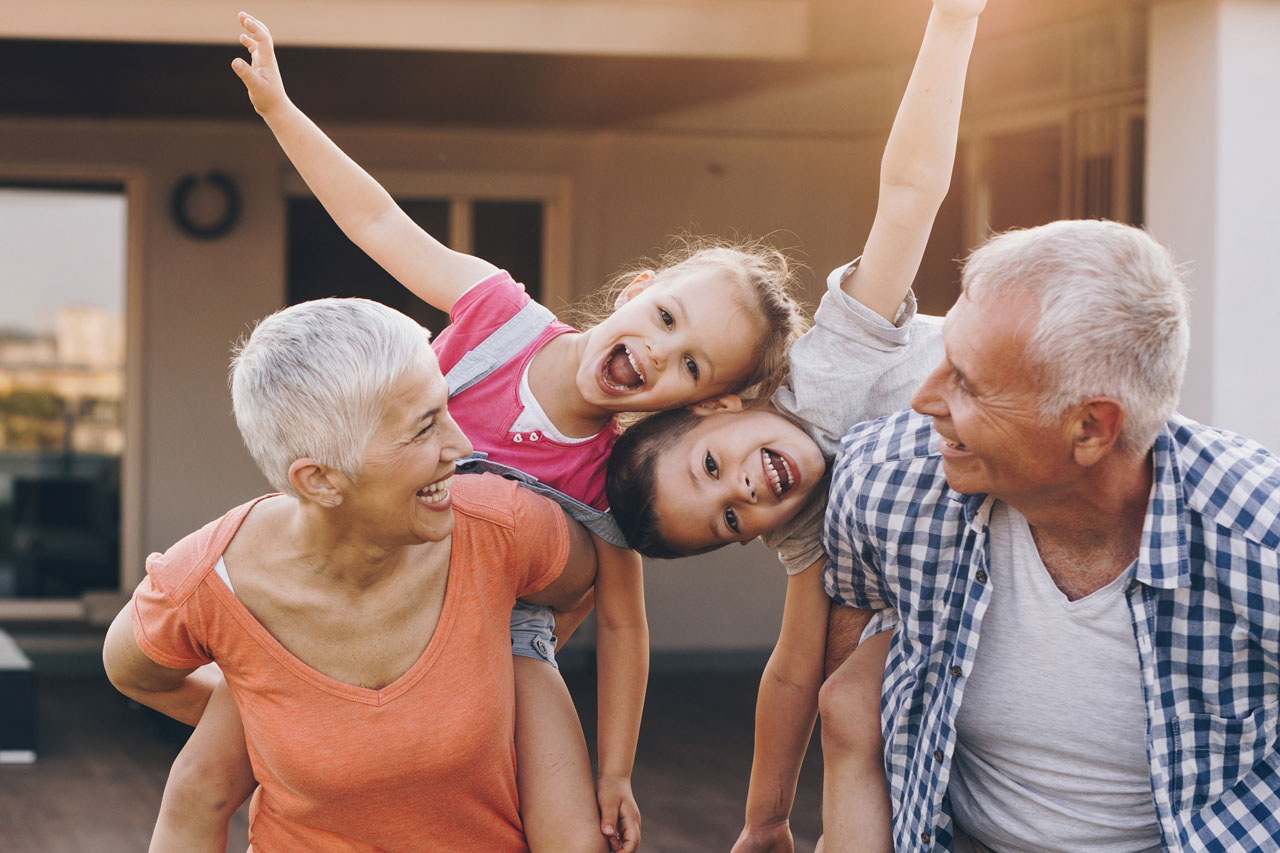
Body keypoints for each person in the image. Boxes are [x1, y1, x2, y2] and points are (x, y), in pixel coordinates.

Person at [147, 11, 810, 853]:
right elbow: (380, 222)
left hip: (498, 646)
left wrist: (614, 772)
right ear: (637, 289)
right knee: (205, 776)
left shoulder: (611, 480)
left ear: (695, 403)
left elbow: (624, 625)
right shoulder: (498, 317)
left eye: (691, 367)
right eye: (667, 318)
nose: (658, 354)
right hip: (353, 592)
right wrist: (282, 109)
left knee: (569, 820)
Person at [605, 1, 985, 849]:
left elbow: (910, 197)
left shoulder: (828, 367)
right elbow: (790, 670)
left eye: (712, 468)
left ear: (721, 404)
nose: (742, 491)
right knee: (847, 690)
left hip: (1040, 421)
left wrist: (953, 22)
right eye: (730, 520)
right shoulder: (809, 529)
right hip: (992, 566)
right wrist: (764, 818)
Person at [819, 218, 1280, 852]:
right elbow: (852, 648)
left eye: (967, 382)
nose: (925, 398)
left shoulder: (1260, 539)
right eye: (942, 357)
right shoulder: (881, 479)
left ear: (1091, 428)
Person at [103, 297, 601, 851]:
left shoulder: (504, 527)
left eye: (446, 408)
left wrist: (497, 668)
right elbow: (134, 673)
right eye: (422, 429)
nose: (460, 447)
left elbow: (582, 585)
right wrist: (262, 720)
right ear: (319, 481)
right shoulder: (207, 582)